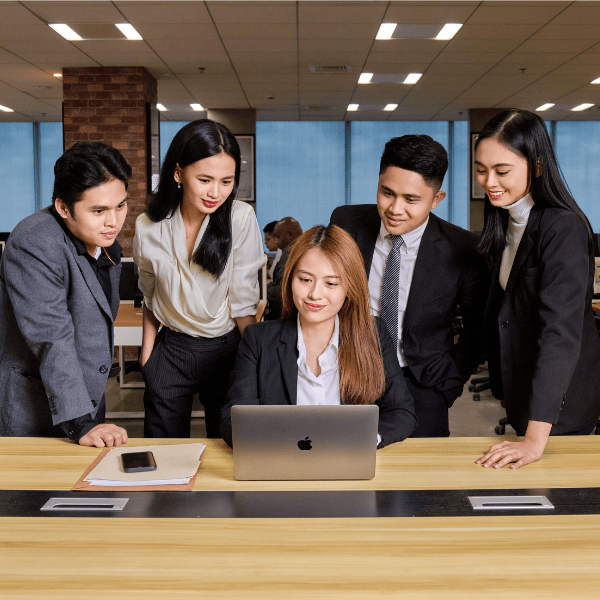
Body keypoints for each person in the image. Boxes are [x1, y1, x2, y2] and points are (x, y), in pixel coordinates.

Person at [331, 134, 488, 438]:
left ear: (436, 199)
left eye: (411, 199)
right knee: (345, 466)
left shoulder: (464, 248)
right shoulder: (346, 221)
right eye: (386, 193)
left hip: (424, 383)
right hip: (353, 372)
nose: (395, 208)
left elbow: (478, 328)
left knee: (423, 480)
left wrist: (449, 385)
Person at [474, 109, 600, 469]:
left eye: (502, 171)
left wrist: (533, 440)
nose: (489, 182)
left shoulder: (563, 228)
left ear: (538, 166)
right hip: (523, 395)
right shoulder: (504, 220)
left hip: (561, 406)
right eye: (481, 170)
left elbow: (560, 334)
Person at [220, 224, 417, 448]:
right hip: (281, 465)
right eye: (305, 280)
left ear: (349, 287)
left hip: (349, 463)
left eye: (331, 283)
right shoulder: (259, 339)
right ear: (290, 279)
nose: (315, 294)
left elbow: (402, 412)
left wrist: (366, 440)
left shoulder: (373, 333)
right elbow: (232, 419)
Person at [133, 119, 266, 439]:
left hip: (226, 349)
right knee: (162, 452)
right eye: (205, 179)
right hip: (171, 348)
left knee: (228, 448)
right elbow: (149, 293)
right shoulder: (148, 226)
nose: (215, 192)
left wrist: (255, 364)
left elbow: (243, 301)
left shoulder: (240, 217)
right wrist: (147, 356)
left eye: (226, 181)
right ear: (178, 173)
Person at [0, 142, 131, 447]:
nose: (113, 221)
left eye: (121, 205)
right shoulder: (34, 242)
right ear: (63, 207)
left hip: (86, 402)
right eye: (98, 210)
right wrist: (82, 421)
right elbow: (51, 336)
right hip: (36, 408)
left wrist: (89, 416)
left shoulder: (101, 238)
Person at [265, 216, 303, 320]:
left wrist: (263, 288)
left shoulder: (289, 253)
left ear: (290, 234)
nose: (276, 241)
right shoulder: (305, 247)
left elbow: (281, 292)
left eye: (277, 236)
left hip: (286, 317)